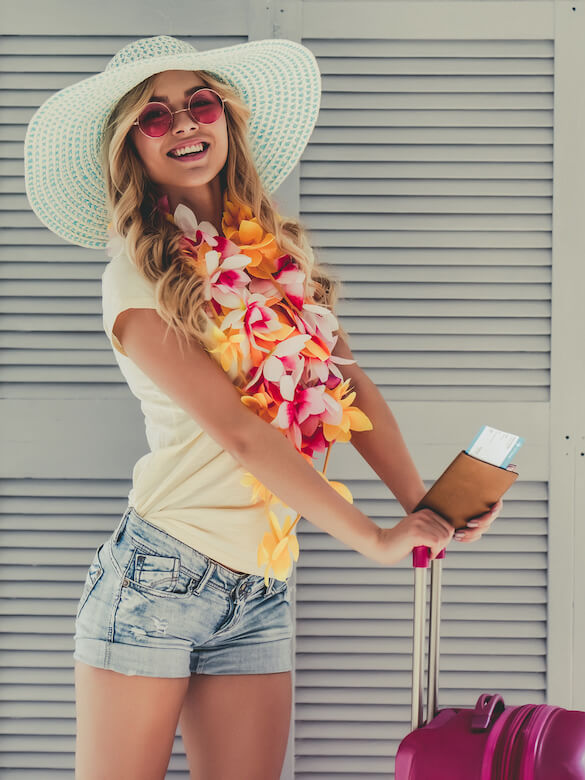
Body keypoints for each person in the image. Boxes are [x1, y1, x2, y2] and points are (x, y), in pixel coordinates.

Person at [24, 34, 502, 780]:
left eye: (199, 104)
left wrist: (425, 509)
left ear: (225, 121)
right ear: (134, 150)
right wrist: (372, 539)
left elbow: (348, 383)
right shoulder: (136, 277)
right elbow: (241, 433)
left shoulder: (275, 255)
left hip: (260, 587)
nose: (184, 125)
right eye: (155, 117)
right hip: (159, 576)